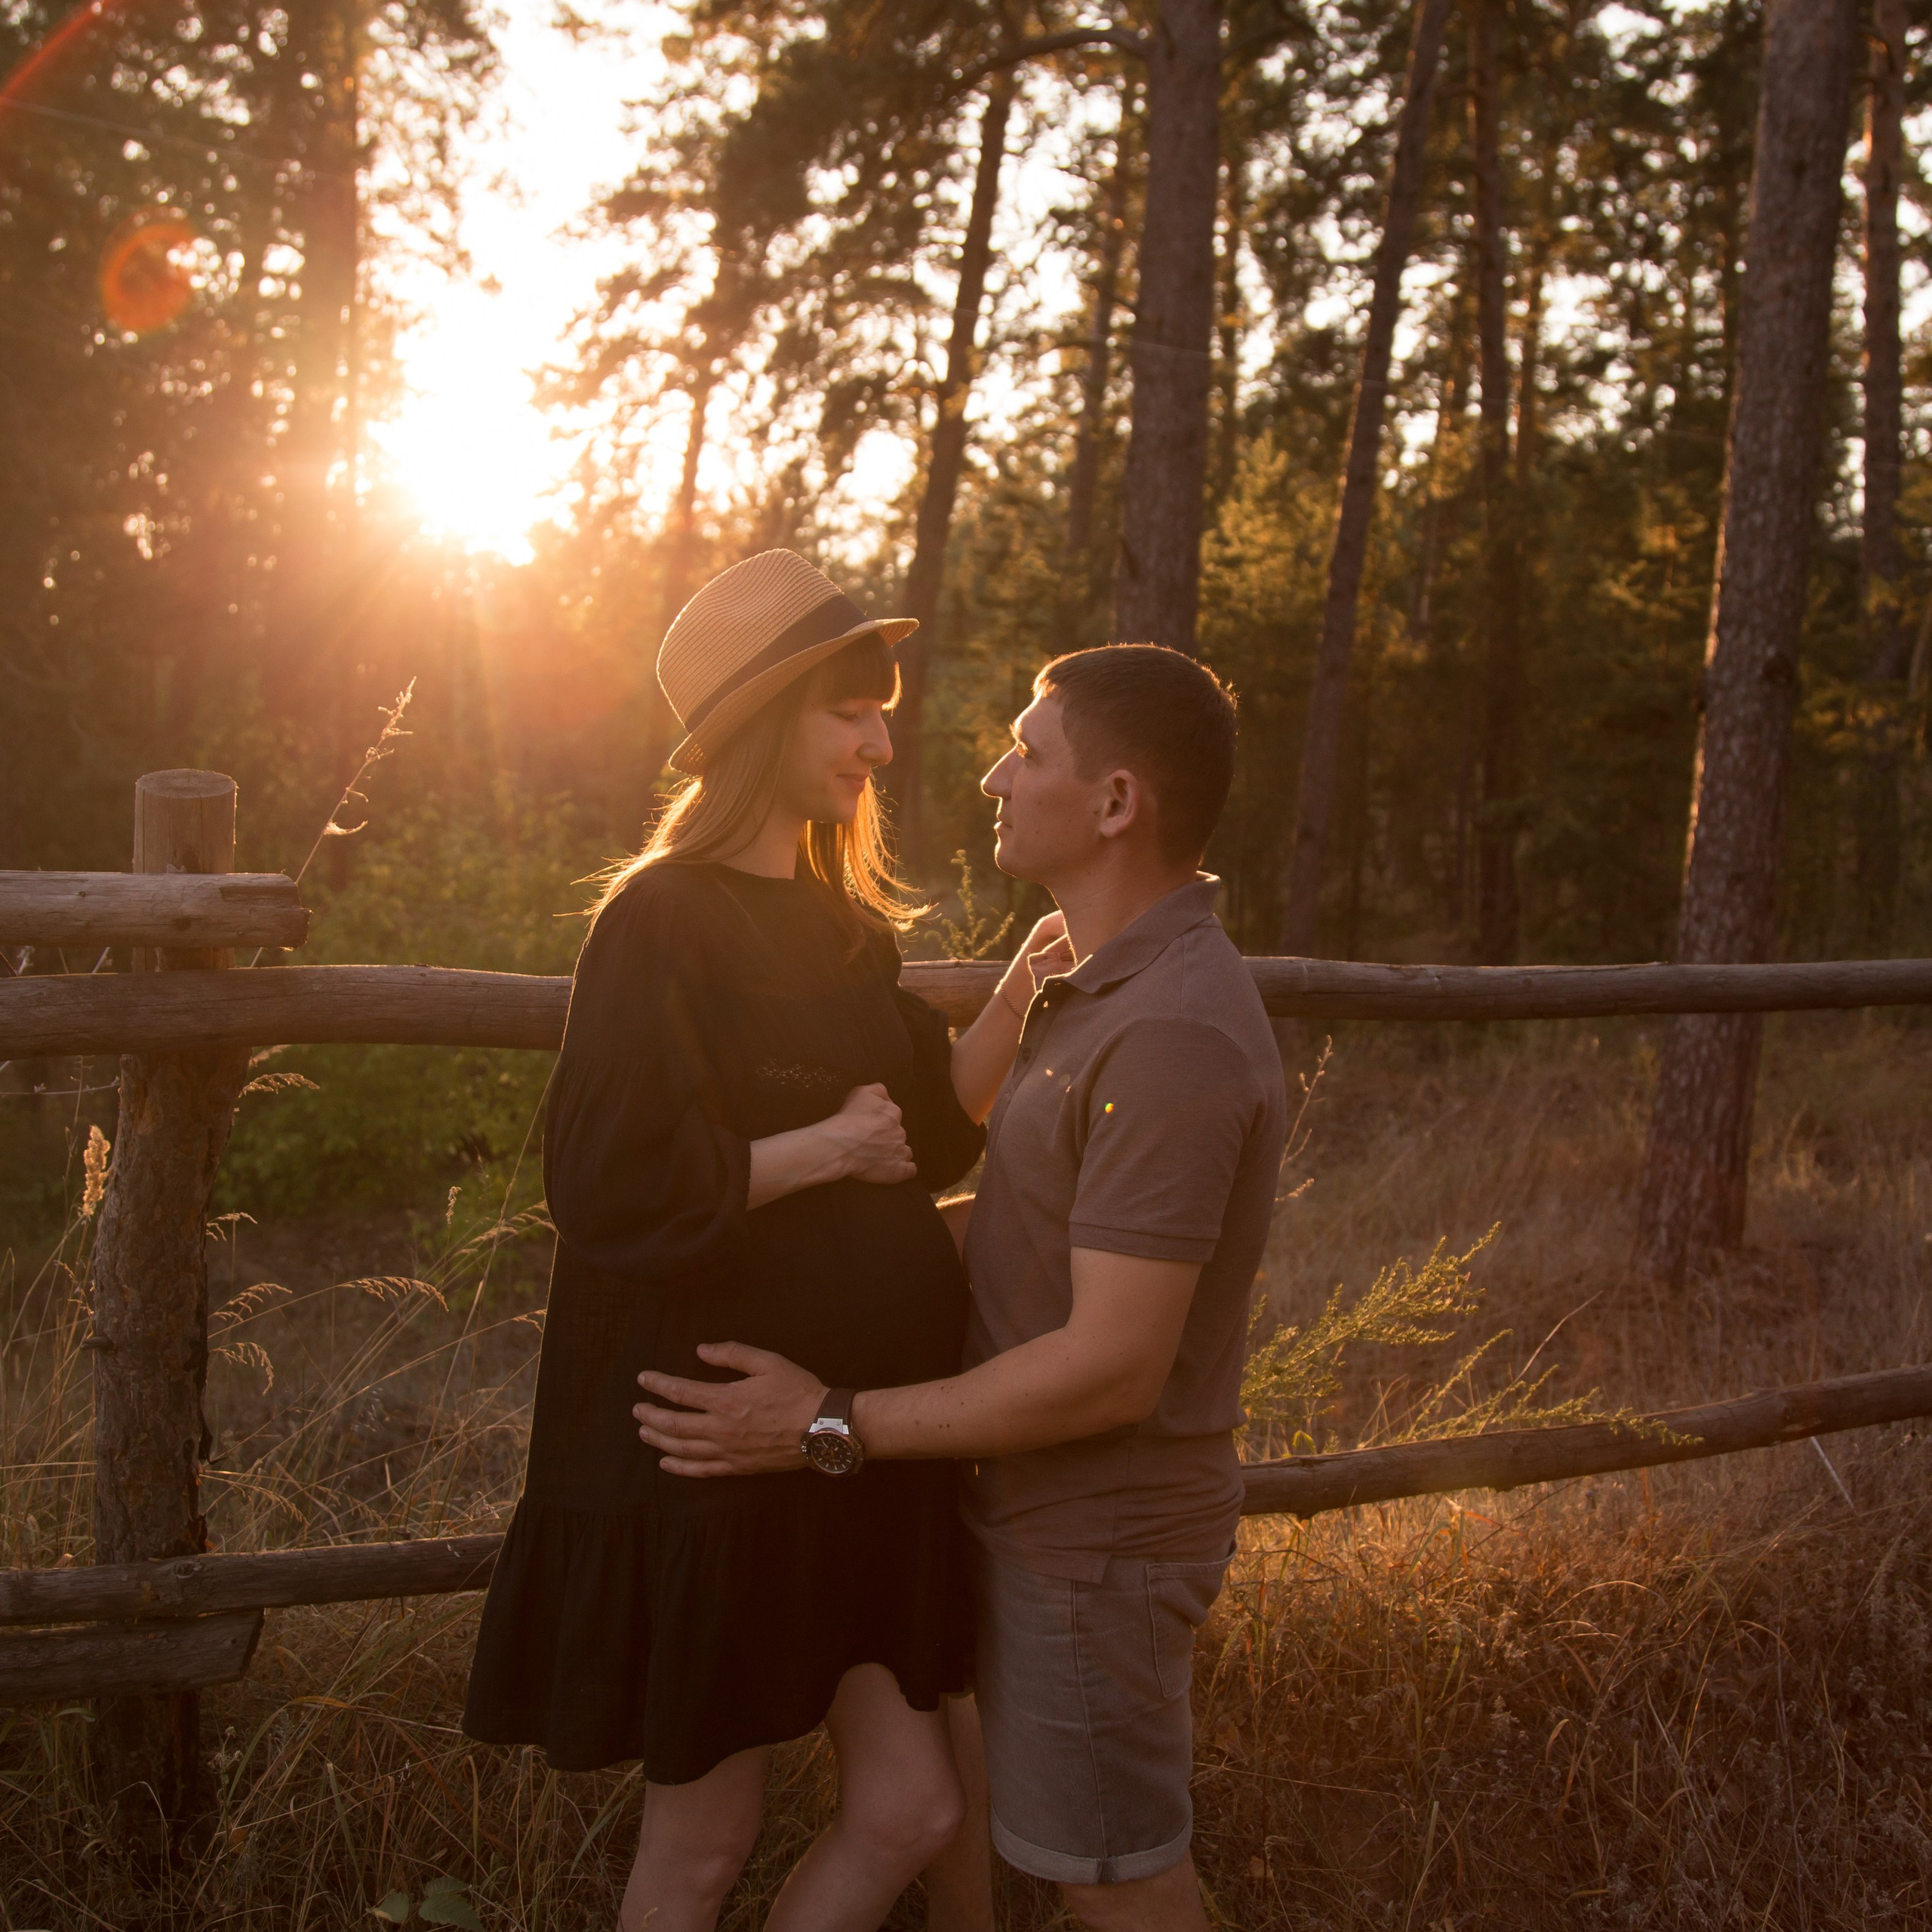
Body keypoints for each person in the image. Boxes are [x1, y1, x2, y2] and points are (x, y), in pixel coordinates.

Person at [632, 643, 1291, 1932]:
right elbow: (1027, 1229)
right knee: (1000, 1850)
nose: (993, 773)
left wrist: (828, 1419)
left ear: (1113, 805)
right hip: (1018, 1510)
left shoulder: (1169, 1032)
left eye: (1029, 752)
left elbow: (1112, 1362)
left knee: (1118, 1884)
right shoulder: (1096, 993)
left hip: (1093, 1539)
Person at [461, 549, 1069, 1932]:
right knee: (702, 1842)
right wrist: (821, 1154)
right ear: (760, 727)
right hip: (722, 1434)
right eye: (848, 709)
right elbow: (609, 1184)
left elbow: (934, 1124)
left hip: (846, 1448)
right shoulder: (658, 919)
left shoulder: (840, 927)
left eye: (881, 708)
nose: (881, 737)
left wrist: (1027, 984)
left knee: (913, 1807)